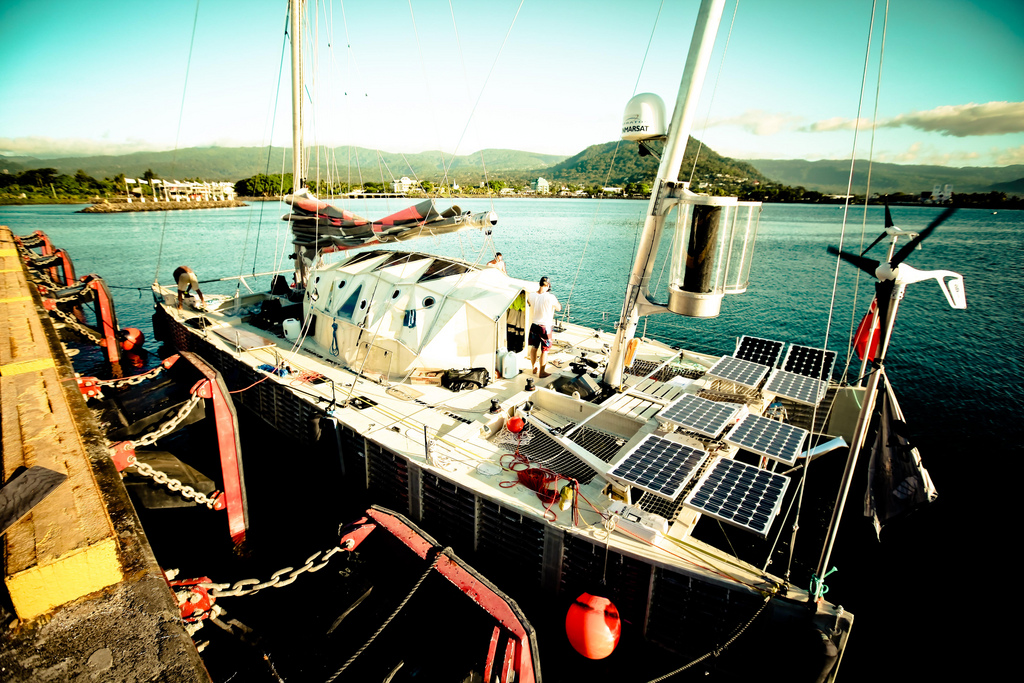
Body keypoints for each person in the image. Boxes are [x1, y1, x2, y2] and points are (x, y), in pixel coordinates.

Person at [526, 276, 561, 378]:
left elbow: (529, 303)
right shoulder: (551, 297)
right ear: (548, 285)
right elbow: (559, 308)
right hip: (545, 326)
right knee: (545, 350)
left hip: (534, 325)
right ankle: (542, 372)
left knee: (534, 347)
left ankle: (533, 368)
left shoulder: (531, 295)